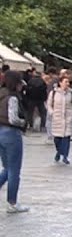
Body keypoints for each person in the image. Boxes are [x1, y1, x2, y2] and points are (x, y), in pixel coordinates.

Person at [0, 70, 28, 213]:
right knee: (14, 170)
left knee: (6, 167)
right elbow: (13, 119)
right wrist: (23, 122)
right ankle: (12, 202)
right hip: (11, 133)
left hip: (0, 132)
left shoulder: (1, 93)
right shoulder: (12, 98)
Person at [47, 76, 72, 164]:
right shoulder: (53, 93)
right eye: (65, 82)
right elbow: (49, 104)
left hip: (68, 118)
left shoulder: (71, 93)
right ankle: (59, 151)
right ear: (60, 83)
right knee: (57, 139)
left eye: (68, 82)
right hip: (57, 118)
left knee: (66, 138)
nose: (67, 84)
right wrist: (52, 112)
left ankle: (65, 156)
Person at [24, 71, 46, 135]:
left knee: (30, 112)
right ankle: (42, 126)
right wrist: (44, 98)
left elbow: (27, 90)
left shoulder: (30, 81)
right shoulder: (42, 81)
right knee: (42, 113)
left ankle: (30, 125)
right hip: (40, 100)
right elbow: (45, 90)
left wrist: (27, 98)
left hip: (31, 99)